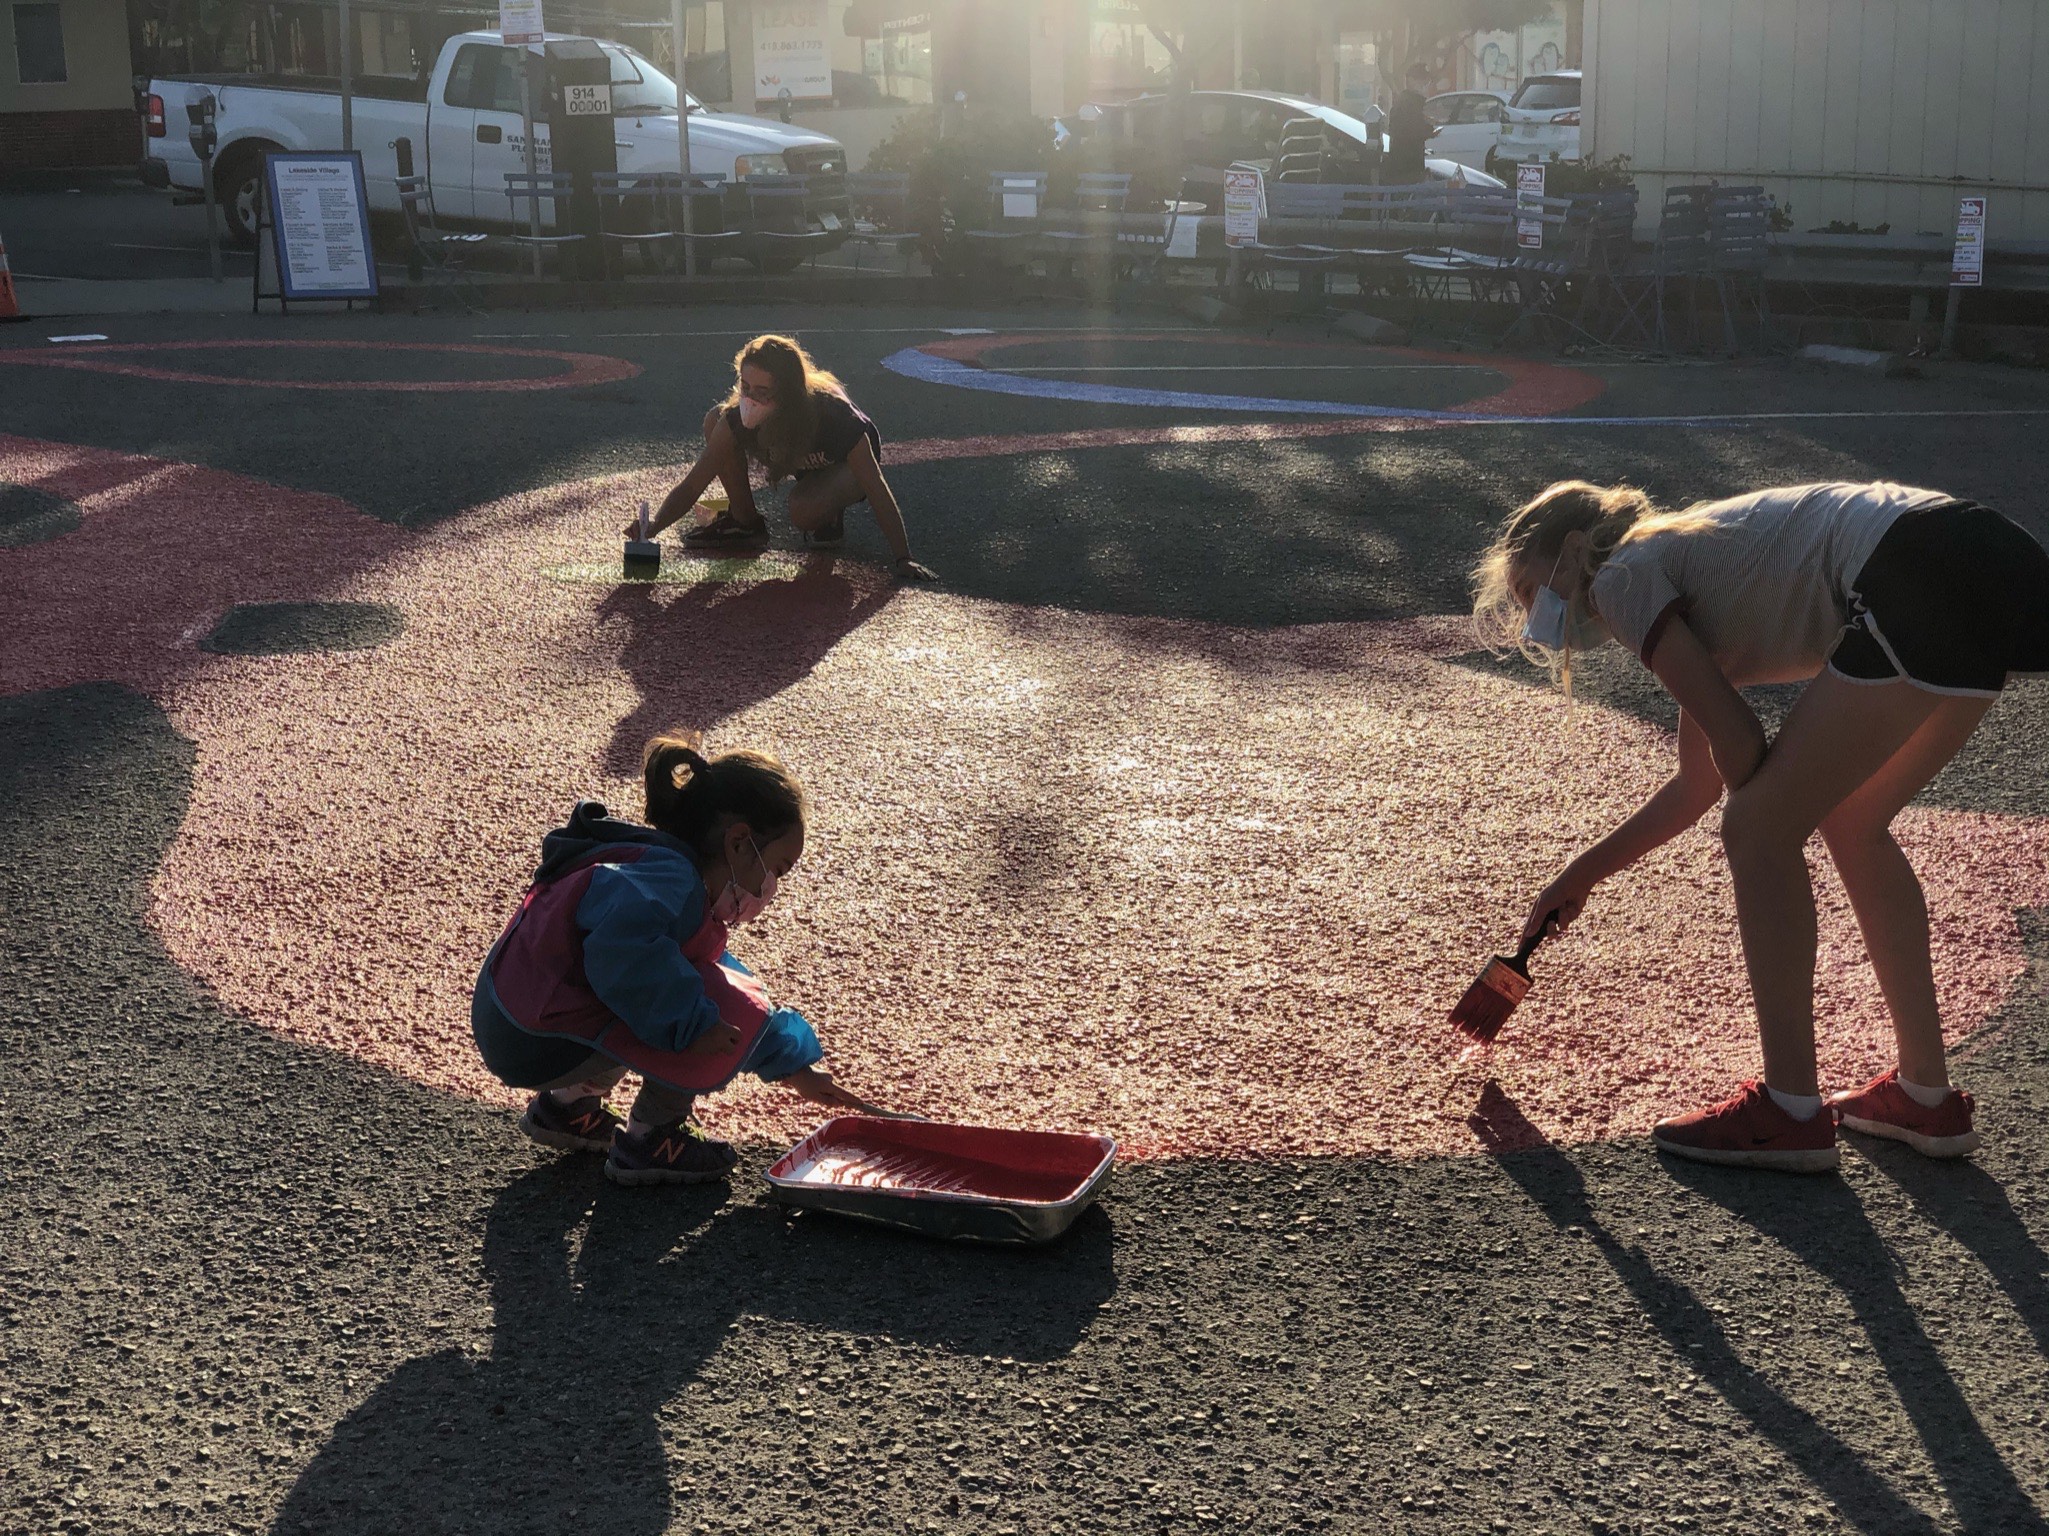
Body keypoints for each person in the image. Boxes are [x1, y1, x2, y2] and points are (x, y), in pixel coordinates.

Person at [1472, 480, 2049, 1172]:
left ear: (1572, 550)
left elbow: (1739, 746)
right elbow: (1694, 787)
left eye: (1531, 589)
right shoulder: (1695, 565)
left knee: (1757, 826)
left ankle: (1787, 1110)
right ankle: (1925, 1095)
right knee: (1852, 817)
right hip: (1985, 552)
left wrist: (1764, 816)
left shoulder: (1619, 573)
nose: (1536, 614)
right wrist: (1579, 877)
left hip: (1915, 563)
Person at [472, 731, 905, 1185]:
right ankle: (651, 1139)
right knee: (697, 1007)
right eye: (776, 868)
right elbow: (628, 957)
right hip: (535, 1037)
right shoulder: (672, 884)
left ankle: (566, 1108)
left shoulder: (656, 868)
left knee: (678, 992)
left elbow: (692, 970)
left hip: (518, 1019)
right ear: (739, 844)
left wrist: (792, 1064)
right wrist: (694, 1025)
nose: (770, 887)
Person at [629, 333, 936, 582]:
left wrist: (903, 557)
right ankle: (744, 522)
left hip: (842, 464)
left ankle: (831, 510)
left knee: (802, 512)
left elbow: (876, 485)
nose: (750, 399)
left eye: (763, 391)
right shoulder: (742, 416)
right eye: (745, 387)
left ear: (788, 392)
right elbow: (694, 483)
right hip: (799, 454)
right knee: (716, 419)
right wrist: (652, 527)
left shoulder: (833, 417)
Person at [1384, 62, 1433, 184]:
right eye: (1421, 79)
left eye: (1426, 80)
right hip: (1406, 166)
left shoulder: (1416, 102)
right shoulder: (1408, 103)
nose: (1425, 83)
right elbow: (1409, 131)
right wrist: (1428, 130)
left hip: (1412, 163)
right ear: (1410, 80)